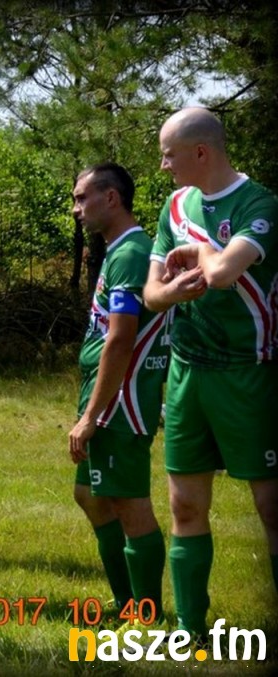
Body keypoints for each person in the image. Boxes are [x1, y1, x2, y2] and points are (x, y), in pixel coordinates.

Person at [142, 107, 278, 639]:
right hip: (187, 371)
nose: (163, 166)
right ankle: (190, 629)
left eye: (168, 155)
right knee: (184, 503)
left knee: (270, 507)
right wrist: (170, 292)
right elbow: (151, 294)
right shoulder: (175, 205)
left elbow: (221, 272)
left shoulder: (260, 203)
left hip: (249, 372)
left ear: (201, 152)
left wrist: (198, 249)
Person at [67, 163, 168, 624]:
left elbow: (121, 337)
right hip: (105, 391)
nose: (76, 209)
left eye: (82, 198)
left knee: (129, 502)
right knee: (89, 494)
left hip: (121, 397)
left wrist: (91, 416)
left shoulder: (130, 253)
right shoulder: (117, 251)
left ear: (111, 198)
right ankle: (129, 602)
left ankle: (145, 614)